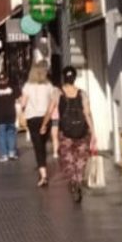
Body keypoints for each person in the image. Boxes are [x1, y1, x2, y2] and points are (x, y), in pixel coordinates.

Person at [41, 66, 96, 203]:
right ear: (75, 78)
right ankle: (78, 180)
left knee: (67, 158)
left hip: (65, 133)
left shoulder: (57, 92)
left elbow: (49, 110)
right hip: (82, 131)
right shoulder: (82, 93)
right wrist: (93, 131)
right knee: (81, 159)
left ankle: (73, 180)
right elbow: (87, 113)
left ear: (64, 77)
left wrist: (44, 124)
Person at [20, 63, 57, 187]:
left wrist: (23, 109)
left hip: (32, 118)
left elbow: (23, 103)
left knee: (37, 145)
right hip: (46, 117)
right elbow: (53, 100)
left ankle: (43, 173)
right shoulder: (48, 85)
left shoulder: (28, 86)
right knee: (43, 143)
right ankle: (43, 167)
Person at [0, 71, 21, 163]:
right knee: (11, 133)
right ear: (7, 79)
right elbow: (20, 99)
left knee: (1, 135)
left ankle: (4, 155)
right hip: (10, 114)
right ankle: (12, 153)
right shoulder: (13, 87)